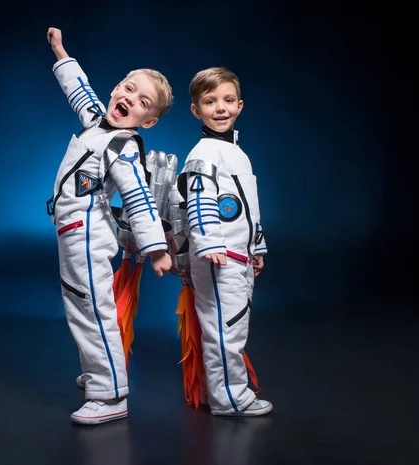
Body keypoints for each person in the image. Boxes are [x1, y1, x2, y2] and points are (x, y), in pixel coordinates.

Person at [46, 27, 173, 425]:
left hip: (87, 233)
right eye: (128, 89)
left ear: (147, 122)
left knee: (91, 309)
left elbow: (138, 197)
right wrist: (61, 51)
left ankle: (112, 392)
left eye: (141, 103)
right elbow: (80, 91)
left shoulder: (122, 146)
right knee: (81, 304)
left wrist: (156, 248)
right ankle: (99, 372)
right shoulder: (99, 124)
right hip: (72, 232)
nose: (128, 100)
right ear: (117, 87)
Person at [177, 66, 272, 416]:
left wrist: (257, 247)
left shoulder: (237, 153)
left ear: (240, 105)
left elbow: (248, 209)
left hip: (239, 255)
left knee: (234, 323)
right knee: (224, 329)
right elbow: (199, 203)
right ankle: (230, 398)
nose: (220, 108)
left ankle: (228, 394)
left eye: (228, 100)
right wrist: (209, 244)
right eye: (210, 101)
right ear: (196, 109)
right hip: (219, 256)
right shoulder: (203, 154)